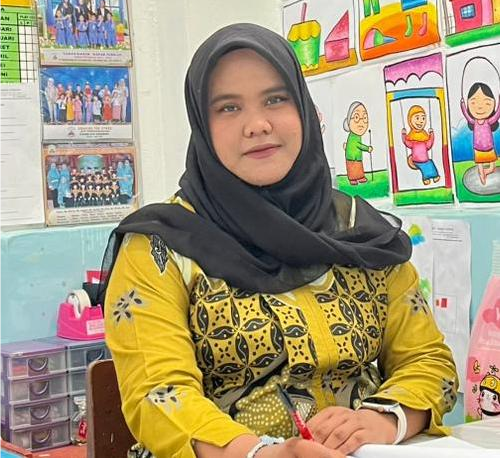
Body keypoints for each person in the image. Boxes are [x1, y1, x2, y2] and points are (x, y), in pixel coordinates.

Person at [103, 24, 457, 458]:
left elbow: (429, 362)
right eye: (228, 107)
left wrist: (383, 420)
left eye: (275, 99)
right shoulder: (160, 247)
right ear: (202, 126)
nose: (257, 125)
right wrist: (263, 453)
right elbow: (159, 394)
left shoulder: (358, 229)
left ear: (303, 108)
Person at [461, 82, 500, 185]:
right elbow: (466, 115)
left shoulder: (489, 121)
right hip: (478, 148)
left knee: (492, 166)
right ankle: (482, 174)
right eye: (473, 103)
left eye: (487, 103)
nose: (480, 107)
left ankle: (487, 172)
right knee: (480, 164)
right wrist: (463, 105)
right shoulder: (474, 122)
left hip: (489, 147)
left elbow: (497, 115)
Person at [401, 106, 440, 186]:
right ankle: (426, 178)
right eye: (417, 118)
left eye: (423, 118)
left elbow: (429, 144)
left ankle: (435, 176)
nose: (421, 121)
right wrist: (404, 135)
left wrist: (431, 135)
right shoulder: (411, 138)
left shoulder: (425, 136)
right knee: (424, 168)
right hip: (416, 161)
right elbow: (406, 142)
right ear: (410, 120)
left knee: (431, 164)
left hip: (426, 160)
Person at [343, 101, 372, 185]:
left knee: (358, 167)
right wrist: (367, 148)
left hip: (357, 157)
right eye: (356, 117)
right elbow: (358, 145)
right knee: (353, 168)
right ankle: (352, 179)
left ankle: (360, 177)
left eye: (365, 118)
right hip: (352, 157)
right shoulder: (353, 137)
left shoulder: (357, 136)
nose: (361, 122)